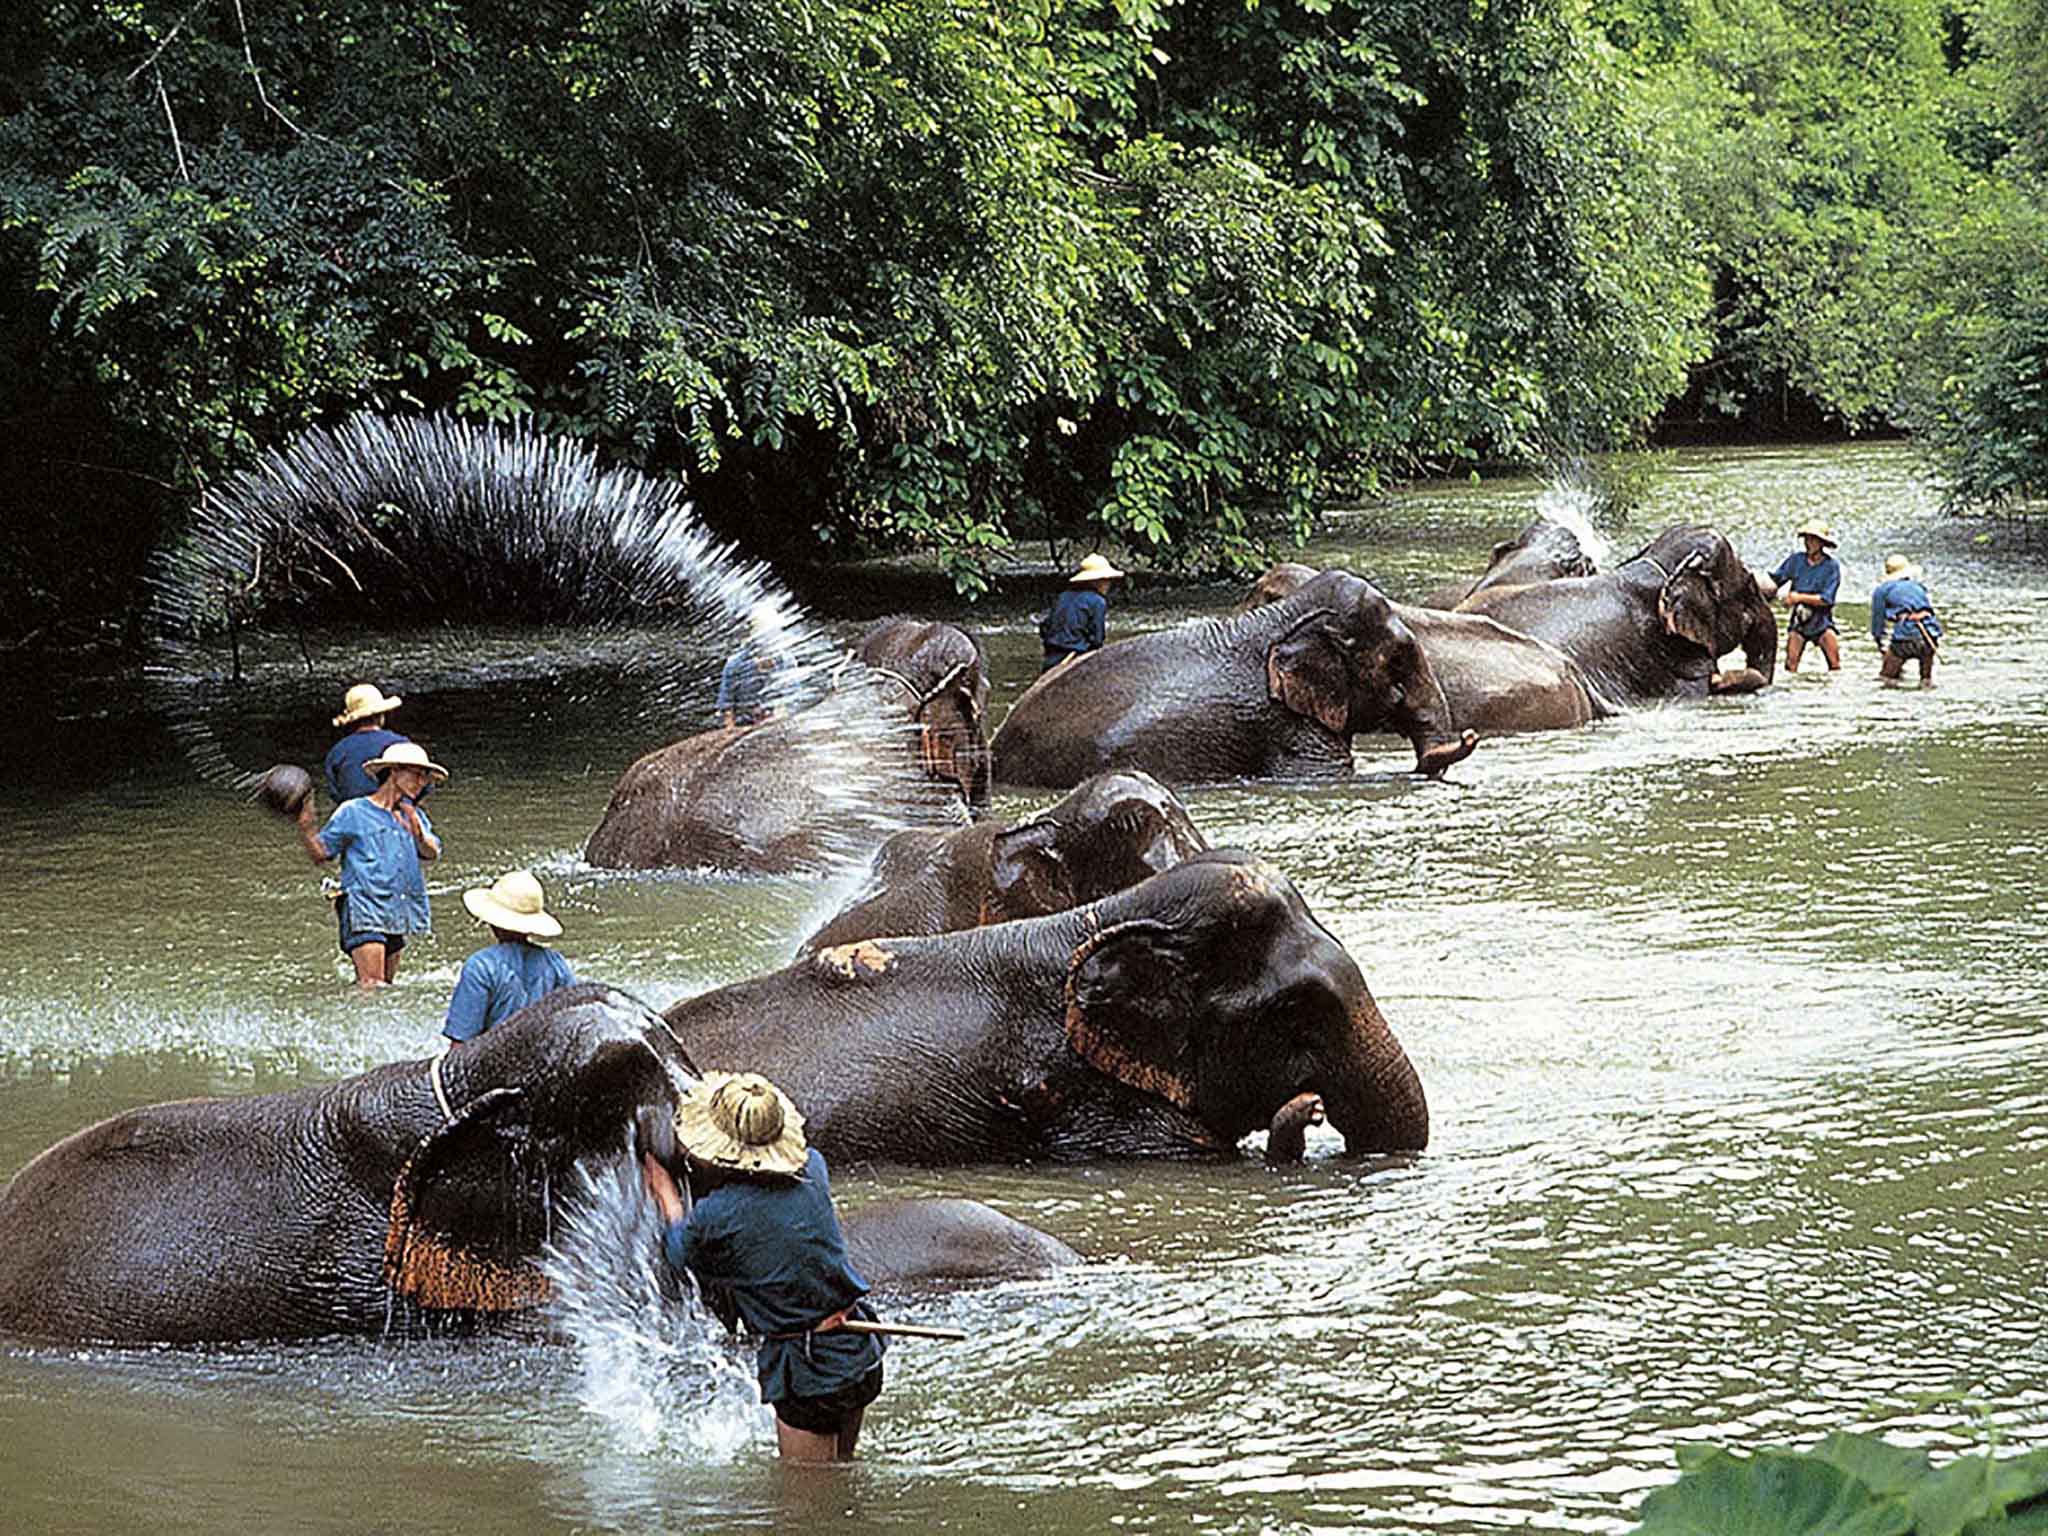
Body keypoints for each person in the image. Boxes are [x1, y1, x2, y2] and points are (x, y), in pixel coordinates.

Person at [642, 1073, 885, 1464]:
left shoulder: (718, 1215)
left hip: (809, 1371)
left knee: (806, 1507)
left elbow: (677, 1251)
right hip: (856, 1347)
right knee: (843, 1472)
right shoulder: (814, 1168)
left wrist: (666, 1194)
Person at [295, 740, 445, 990]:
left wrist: (419, 835)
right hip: (362, 906)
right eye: (417, 774)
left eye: (425, 777)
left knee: (385, 987)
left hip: (396, 909)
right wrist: (306, 827)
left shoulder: (415, 816)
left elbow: (432, 852)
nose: (422, 783)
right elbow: (322, 853)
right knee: (372, 985)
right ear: (394, 771)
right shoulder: (353, 811)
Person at [442, 870, 577, 1044]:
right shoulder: (556, 964)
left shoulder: (481, 966)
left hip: (492, 1064)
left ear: (492, 922)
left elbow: (461, 1040)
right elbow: (571, 1022)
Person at [1765, 522, 1843, 672]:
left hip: (1822, 622)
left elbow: (1826, 600)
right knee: (1790, 666)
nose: (1809, 543)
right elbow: (1776, 581)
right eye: (1807, 539)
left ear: (1822, 543)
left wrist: (1798, 597)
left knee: (1835, 666)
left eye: (1813, 540)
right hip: (1799, 621)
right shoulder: (1796, 560)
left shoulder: (1831, 567)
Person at [1038, 553, 1125, 672]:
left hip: (1051, 654)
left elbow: (1045, 627)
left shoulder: (1063, 596)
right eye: (1106, 580)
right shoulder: (1097, 601)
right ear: (1096, 581)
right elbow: (1097, 639)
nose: (1108, 584)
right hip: (1073, 654)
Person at [324, 683, 410, 803]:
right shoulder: (402, 745)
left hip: (353, 817)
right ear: (381, 716)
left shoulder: (337, 752)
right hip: (396, 814)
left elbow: (335, 792)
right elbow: (422, 785)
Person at [1870, 552, 1944, 685]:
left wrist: (1879, 641)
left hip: (1906, 636)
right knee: (1926, 680)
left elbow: (1878, 621)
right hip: (1930, 634)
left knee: (1886, 678)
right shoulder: (1918, 587)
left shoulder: (1882, 590)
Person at [718, 599, 787, 728]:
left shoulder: (785, 660)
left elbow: (791, 696)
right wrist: (732, 730)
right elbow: (726, 706)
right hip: (745, 726)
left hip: (776, 724)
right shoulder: (735, 665)